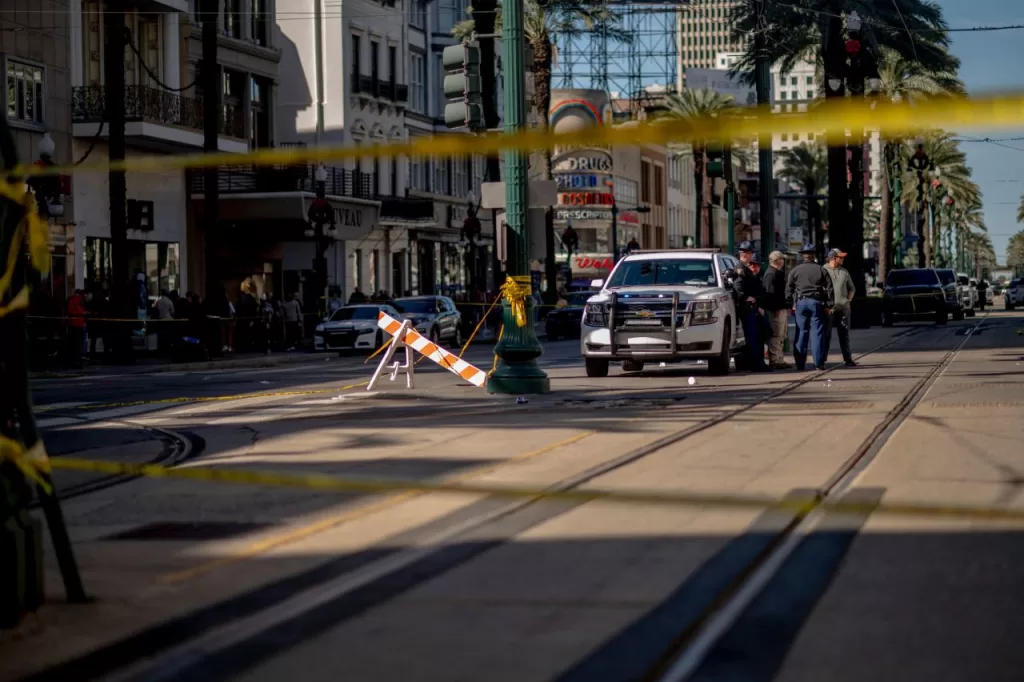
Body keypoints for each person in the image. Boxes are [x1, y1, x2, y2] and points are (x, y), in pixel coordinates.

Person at [786, 244, 835, 371]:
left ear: (803, 256)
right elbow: (830, 289)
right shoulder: (821, 270)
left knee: (801, 332)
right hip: (816, 303)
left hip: (801, 303)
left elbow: (788, 288)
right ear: (813, 256)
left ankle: (800, 363)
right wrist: (829, 305)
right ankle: (819, 363)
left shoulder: (795, 270)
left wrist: (789, 303)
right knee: (817, 333)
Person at [733, 241, 769, 372]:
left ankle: (757, 362)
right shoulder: (740, 269)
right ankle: (756, 364)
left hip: (751, 307)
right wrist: (746, 298)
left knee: (756, 336)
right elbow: (739, 288)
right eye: (746, 253)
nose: (748, 256)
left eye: (749, 253)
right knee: (752, 337)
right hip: (747, 308)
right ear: (742, 254)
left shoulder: (745, 269)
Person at [823, 248, 857, 367]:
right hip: (828, 309)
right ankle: (822, 359)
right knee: (826, 334)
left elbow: (852, 288)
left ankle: (848, 359)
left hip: (844, 308)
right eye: (840, 257)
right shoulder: (823, 270)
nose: (843, 259)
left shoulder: (844, 272)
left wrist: (848, 300)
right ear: (833, 258)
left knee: (845, 334)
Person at [762, 250, 790, 369]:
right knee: (776, 334)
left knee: (781, 334)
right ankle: (775, 359)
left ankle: (779, 358)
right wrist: (776, 308)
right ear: (777, 260)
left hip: (780, 308)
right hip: (776, 310)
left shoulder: (777, 272)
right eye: (781, 259)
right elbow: (770, 294)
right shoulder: (771, 274)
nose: (783, 261)